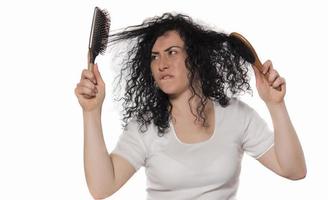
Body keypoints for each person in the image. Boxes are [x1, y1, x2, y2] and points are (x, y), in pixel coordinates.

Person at [74, 13, 307, 200]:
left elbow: (294, 170)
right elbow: (101, 188)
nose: (161, 64)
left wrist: (276, 105)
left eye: (171, 52)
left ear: (196, 58)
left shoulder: (236, 116)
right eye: (154, 57)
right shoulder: (146, 127)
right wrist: (91, 112)